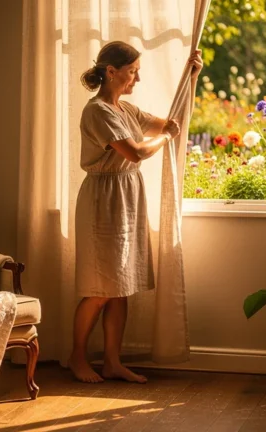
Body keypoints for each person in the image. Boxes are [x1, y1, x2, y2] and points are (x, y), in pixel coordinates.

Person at [70, 41, 203, 384]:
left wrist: (191, 79)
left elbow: (171, 123)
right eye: (132, 72)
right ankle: (77, 358)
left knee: (120, 285)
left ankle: (112, 362)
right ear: (111, 72)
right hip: (103, 199)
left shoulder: (126, 109)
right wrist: (166, 139)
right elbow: (136, 152)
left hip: (126, 196)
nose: (137, 79)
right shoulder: (97, 111)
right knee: (100, 288)